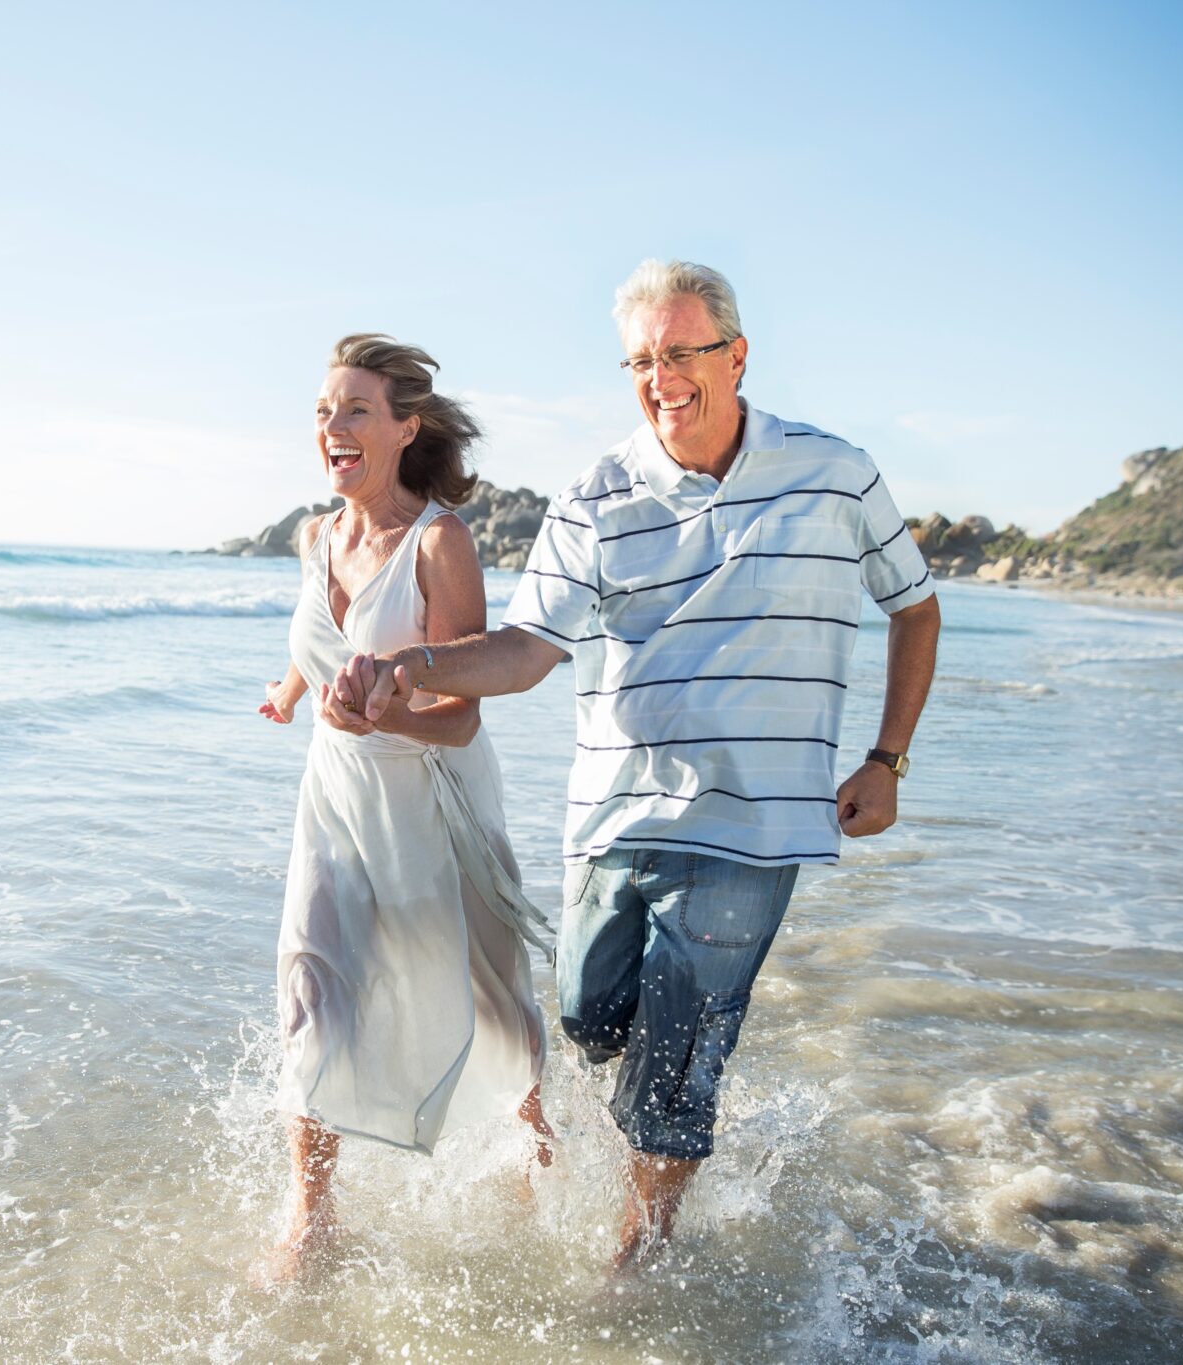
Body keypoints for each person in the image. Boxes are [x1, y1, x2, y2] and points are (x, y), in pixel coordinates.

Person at [331, 261, 942, 1270]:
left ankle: (641, 1249)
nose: (658, 376)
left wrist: (885, 759)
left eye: (679, 352)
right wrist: (413, 667)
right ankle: (666, 1127)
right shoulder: (595, 494)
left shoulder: (834, 472)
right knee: (586, 1016)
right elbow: (525, 649)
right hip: (615, 814)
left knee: (674, 1055)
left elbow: (912, 606)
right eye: (640, 360)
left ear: (733, 356)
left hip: (754, 823)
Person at [254, 334, 556, 1283]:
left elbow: (463, 714)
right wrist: (293, 692)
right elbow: (320, 642)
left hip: (436, 801)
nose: (331, 429)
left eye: (352, 411)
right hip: (336, 806)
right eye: (321, 413)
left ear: (403, 427)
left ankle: (542, 1153)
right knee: (312, 987)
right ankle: (313, 1217)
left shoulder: (440, 541)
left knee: (496, 1001)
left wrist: (391, 708)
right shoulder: (316, 535)